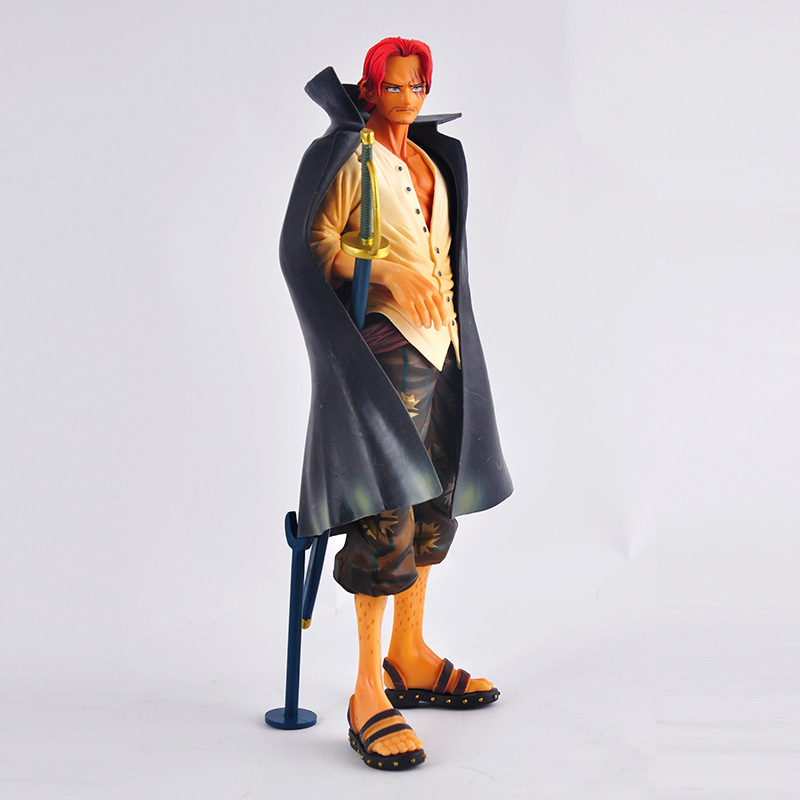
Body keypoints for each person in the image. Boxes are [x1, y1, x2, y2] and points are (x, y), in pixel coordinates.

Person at [280, 37, 513, 770]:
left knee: (438, 502)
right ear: (369, 89)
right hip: (385, 353)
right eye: (394, 87)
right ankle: (365, 691)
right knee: (387, 515)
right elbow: (310, 247)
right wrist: (380, 272)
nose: (407, 99)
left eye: (417, 87)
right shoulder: (349, 160)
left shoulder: (434, 160)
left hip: (446, 348)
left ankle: (408, 653)